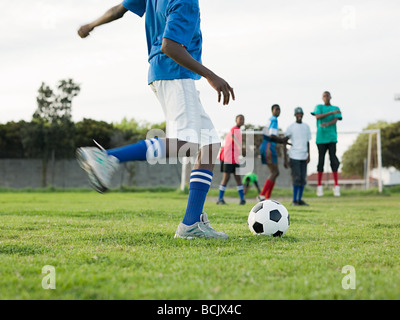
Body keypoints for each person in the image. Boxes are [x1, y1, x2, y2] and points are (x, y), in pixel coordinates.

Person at [76, 0, 235, 239]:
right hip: (176, 74)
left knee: (210, 146)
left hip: (160, 73)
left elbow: (120, 9)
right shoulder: (186, 2)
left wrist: (92, 24)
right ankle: (108, 157)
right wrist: (212, 76)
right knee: (187, 143)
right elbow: (170, 46)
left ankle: (191, 223)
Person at [311, 91, 342, 197]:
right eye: (324, 96)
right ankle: (319, 186)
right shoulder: (318, 107)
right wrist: (331, 113)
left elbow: (336, 119)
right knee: (321, 161)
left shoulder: (335, 107)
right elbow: (318, 117)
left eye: (327, 95)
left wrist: (328, 123)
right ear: (322, 98)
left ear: (330, 97)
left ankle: (336, 186)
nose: (326, 97)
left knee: (333, 160)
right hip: (321, 138)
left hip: (332, 137)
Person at [259, 104, 288, 200]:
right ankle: (262, 195)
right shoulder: (274, 120)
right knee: (274, 172)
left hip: (265, 146)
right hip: (268, 147)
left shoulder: (270, 120)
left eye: (279, 109)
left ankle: (267, 197)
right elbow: (272, 136)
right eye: (276, 109)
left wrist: (281, 140)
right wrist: (282, 139)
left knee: (275, 172)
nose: (278, 111)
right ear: (272, 111)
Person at [284, 107, 312, 206]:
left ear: (303, 115)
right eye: (297, 114)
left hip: (303, 156)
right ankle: (294, 200)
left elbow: (307, 141)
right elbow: (284, 141)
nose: (299, 115)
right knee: (296, 178)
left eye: (301, 114)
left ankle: (299, 200)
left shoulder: (306, 127)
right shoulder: (291, 127)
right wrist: (285, 158)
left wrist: (309, 154)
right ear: (295, 115)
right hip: (294, 156)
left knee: (302, 179)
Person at [217, 115, 245, 205]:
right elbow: (233, 136)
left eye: (243, 119)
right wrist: (241, 147)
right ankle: (220, 199)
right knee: (226, 177)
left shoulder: (239, 131)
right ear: (236, 120)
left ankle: (242, 199)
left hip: (234, 158)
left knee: (238, 178)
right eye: (240, 119)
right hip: (228, 156)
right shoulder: (234, 129)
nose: (242, 120)